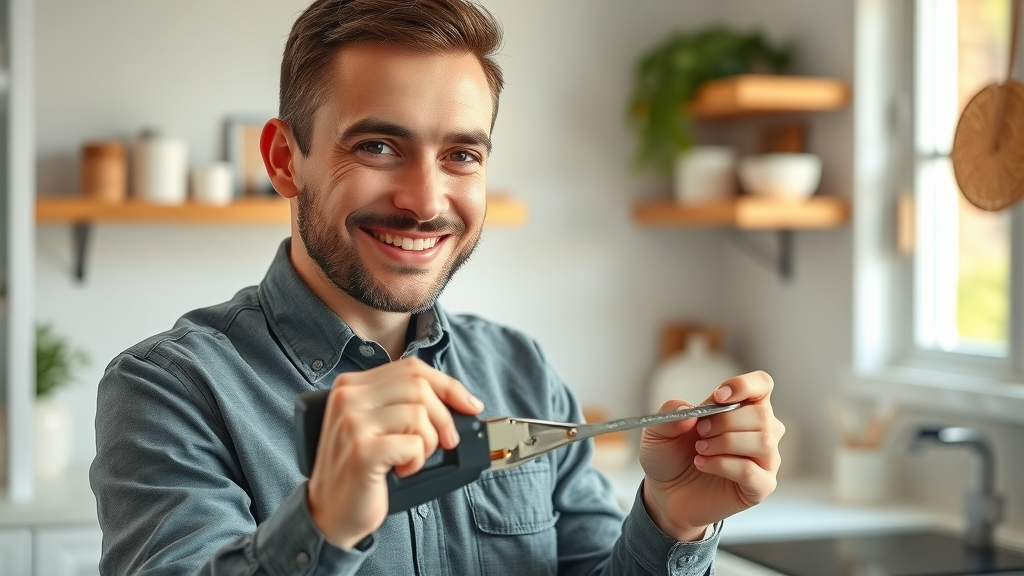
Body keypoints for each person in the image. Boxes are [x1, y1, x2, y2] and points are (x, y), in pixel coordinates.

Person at [90, 0, 785, 574]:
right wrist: (323, 521)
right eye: (378, 146)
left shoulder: (523, 373)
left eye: (460, 154)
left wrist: (674, 521)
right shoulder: (169, 391)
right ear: (283, 159)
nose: (425, 200)